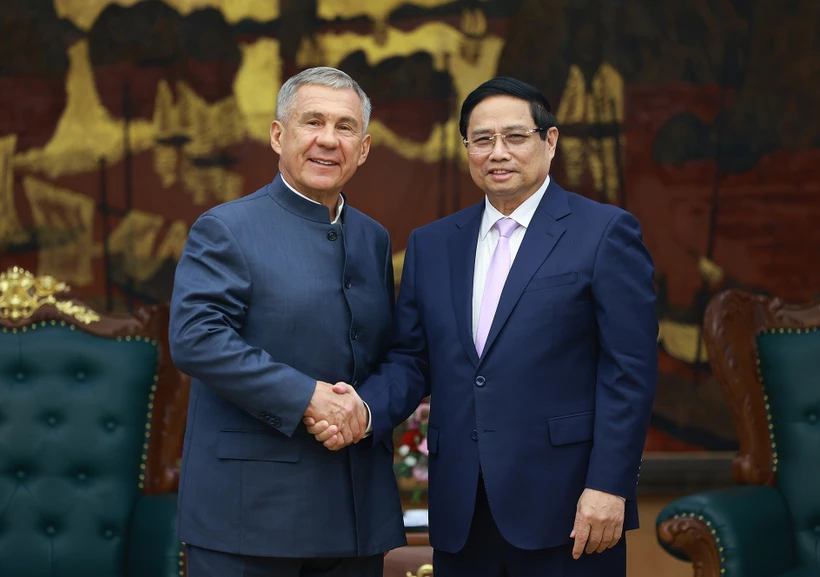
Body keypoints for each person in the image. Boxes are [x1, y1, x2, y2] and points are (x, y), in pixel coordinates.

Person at [307, 77, 659, 577]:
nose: (498, 152)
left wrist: (609, 485)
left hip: (571, 509)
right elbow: (412, 360)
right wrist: (360, 410)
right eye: (482, 139)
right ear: (466, 147)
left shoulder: (604, 232)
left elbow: (631, 371)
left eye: (515, 137)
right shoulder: (432, 244)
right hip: (461, 512)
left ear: (549, 141)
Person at [168, 66, 405, 577]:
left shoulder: (374, 239)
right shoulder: (227, 228)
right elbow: (196, 338)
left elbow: (389, 352)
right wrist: (307, 397)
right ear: (279, 135)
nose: (327, 140)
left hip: (356, 516)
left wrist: (363, 410)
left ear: (363, 149)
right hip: (250, 517)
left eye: (345, 127)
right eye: (312, 121)